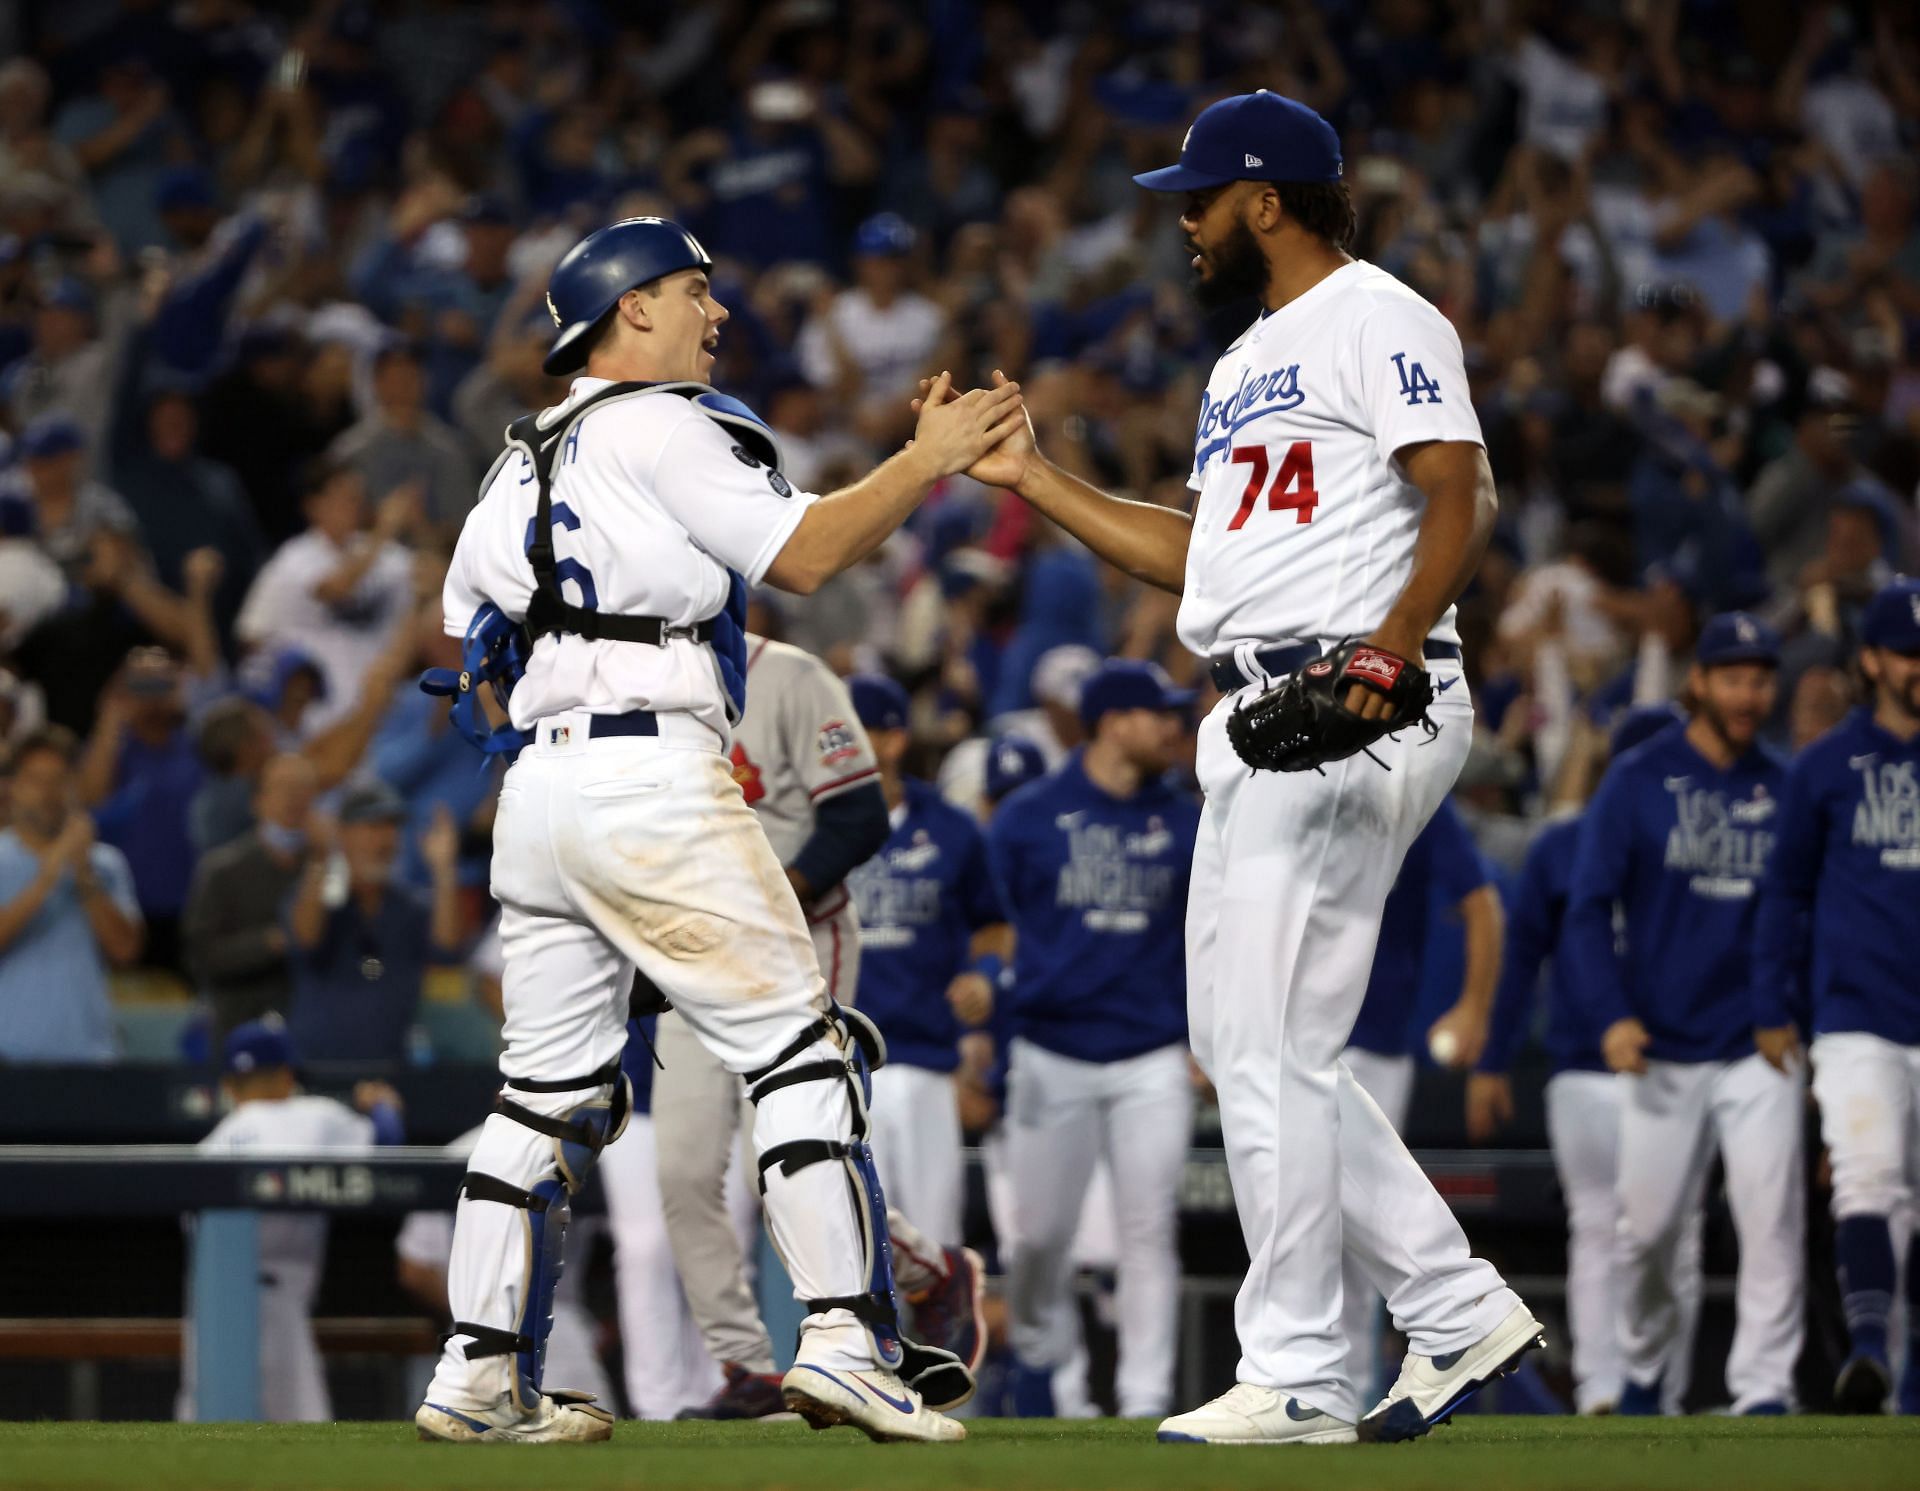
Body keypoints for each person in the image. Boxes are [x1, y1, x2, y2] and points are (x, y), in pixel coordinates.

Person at [921, 92, 1541, 1443]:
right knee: (1260, 1047)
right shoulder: (1248, 358)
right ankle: (1451, 1304)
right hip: (1263, 704)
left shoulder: (1381, 312)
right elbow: (1200, 554)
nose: (1185, 221)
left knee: (1269, 1048)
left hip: (1349, 692)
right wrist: (1033, 480)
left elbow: (1461, 490)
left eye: (1198, 197)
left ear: (1266, 199)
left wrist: (1382, 655)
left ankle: (1305, 1366)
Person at [416, 215, 1021, 1445]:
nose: (717, 313)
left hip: (536, 789)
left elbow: (466, 639)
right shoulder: (662, 421)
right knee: (801, 1048)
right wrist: (925, 458)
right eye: (696, 292)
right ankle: (848, 1341)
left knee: (539, 1096)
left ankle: (477, 1375)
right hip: (653, 770)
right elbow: (808, 554)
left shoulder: (516, 457)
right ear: (631, 310)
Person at [654, 634, 982, 1422]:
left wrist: (775, 897)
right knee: (683, 1171)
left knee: (786, 1155)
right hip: (691, 951)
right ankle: (747, 1367)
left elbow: (860, 816)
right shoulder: (639, 685)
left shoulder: (789, 675)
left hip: (797, 941)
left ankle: (927, 1269)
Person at [1564, 612, 1802, 1415]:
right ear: (1698, 682)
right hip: (1661, 1041)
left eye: (1761, 677)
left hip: (1757, 1041)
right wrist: (1611, 1014)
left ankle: (1763, 1388)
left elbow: (1807, 909)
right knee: (1647, 1234)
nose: (1749, 692)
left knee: (1772, 1220)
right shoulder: (1637, 780)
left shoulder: (1786, 781)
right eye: (1734, 676)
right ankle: (1639, 1368)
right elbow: (1588, 910)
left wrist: (1793, 1007)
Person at [987, 658, 1201, 1421]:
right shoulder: (1028, 816)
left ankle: (1144, 1400)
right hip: (1052, 1048)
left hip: (1151, 1052)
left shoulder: (1186, 819)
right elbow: (986, 928)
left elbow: (1209, 938)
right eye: (1158, 714)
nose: (1173, 728)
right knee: (1041, 1237)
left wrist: (1202, 1033)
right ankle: (1052, 1378)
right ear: (1115, 721)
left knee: (1149, 1229)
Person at [1475, 705, 1703, 1416]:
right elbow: (1519, 963)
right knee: (1667, 1233)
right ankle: (1646, 1387)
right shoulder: (1690, 836)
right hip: (1633, 1062)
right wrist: (1492, 1058)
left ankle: (1614, 1384)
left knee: (1605, 1229)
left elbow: (1518, 967)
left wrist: (1494, 1061)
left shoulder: (1563, 842)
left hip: (1623, 1063)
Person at [1756, 576, 1920, 1415]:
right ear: (1871, 660)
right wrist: (1771, 1003)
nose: (1918, 667)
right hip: (1856, 1010)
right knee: (1869, 1176)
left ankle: (1894, 1366)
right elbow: (1782, 893)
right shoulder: (1824, 766)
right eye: (1906, 653)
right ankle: (1867, 1356)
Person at [1337, 796, 1504, 1404]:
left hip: (1372, 1036)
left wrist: (1475, 1009)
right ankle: (1315, 1385)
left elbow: (1482, 905)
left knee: (1352, 1227)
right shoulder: (1276, 773)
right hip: (1287, 1031)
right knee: (1297, 1219)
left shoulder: (1407, 790)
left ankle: (1347, 1393)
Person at [844, 673, 1008, 1266]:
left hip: (926, 1061)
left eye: (850, 730)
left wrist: (985, 973)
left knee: (934, 1248)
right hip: (838, 1068)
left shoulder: (950, 828)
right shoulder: (802, 826)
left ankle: (938, 1360)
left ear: (891, 740)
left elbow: (994, 924)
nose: (833, 744)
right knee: (856, 1254)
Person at [182, 1017, 405, 1422]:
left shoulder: (210, 1145)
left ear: (229, 1086)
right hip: (279, 1301)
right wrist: (382, 1105)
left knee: (208, 1436)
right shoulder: (313, 1115)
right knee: (300, 1445)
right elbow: (388, 1146)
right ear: (286, 1076)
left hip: (210, 1307)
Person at [282, 783, 462, 1067]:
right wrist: (320, 856)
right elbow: (305, 938)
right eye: (372, 826)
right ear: (342, 834)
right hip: (316, 1069)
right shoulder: (318, 897)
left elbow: (447, 948)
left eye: (391, 827)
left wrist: (444, 870)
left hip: (388, 1070)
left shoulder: (408, 906)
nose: (384, 839)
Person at [0, 725, 142, 1060]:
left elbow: (125, 952)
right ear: (12, 788)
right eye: (36, 780)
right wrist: (47, 876)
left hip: (91, 1053)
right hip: (9, 1055)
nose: (49, 793)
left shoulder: (105, 863)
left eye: (60, 780)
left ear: (74, 787)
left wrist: (83, 874)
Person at [182, 753, 319, 1054]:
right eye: (284, 787)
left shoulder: (328, 867)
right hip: (239, 1030)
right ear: (257, 800)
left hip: (312, 1034)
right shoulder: (222, 870)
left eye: (304, 788)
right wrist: (270, 943)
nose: (295, 799)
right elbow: (201, 957)